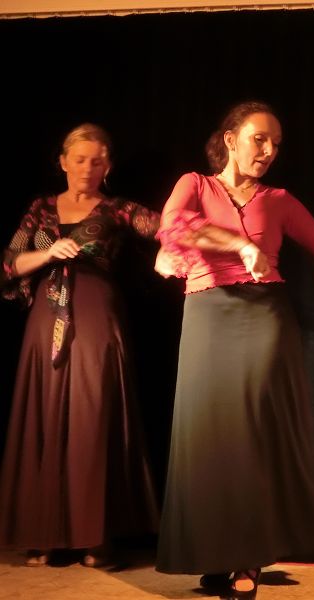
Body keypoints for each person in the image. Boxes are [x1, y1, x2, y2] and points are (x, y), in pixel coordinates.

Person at [154, 101, 314, 599]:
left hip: (263, 319)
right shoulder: (195, 184)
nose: (268, 150)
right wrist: (240, 246)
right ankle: (215, 552)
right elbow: (174, 226)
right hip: (207, 316)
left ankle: (247, 558)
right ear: (230, 138)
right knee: (209, 437)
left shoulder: (279, 200)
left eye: (276, 143)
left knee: (250, 434)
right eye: (259, 138)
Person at [0, 123, 160, 567]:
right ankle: (46, 534)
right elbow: (10, 264)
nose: (88, 168)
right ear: (63, 162)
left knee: (93, 415)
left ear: (108, 166)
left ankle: (94, 536)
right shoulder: (40, 208)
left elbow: (165, 227)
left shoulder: (118, 208)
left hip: (96, 313)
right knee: (46, 413)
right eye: (80, 159)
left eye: (97, 161)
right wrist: (50, 253)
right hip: (46, 317)